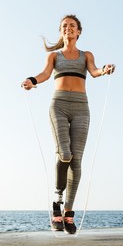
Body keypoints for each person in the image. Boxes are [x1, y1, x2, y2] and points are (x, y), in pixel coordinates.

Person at [21, 14, 115, 234]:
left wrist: (104, 69)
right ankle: (57, 201)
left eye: (72, 26)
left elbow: (94, 72)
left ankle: (69, 213)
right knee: (65, 153)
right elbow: (45, 74)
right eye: (65, 26)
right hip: (59, 105)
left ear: (79, 31)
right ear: (61, 31)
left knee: (77, 160)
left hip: (82, 108)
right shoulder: (54, 57)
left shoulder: (86, 55)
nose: (68, 28)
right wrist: (31, 81)